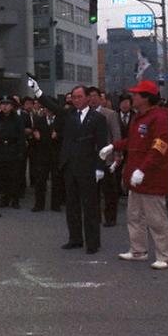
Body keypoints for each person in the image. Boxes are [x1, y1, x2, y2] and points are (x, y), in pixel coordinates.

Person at [99, 80, 168, 269]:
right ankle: (138, 250)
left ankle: (166, 256)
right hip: (135, 178)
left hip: (151, 178)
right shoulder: (138, 117)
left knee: (157, 219)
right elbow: (132, 140)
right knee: (134, 217)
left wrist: (143, 169)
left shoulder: (158, 117)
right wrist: (113, 146)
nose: (132, 98)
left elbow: (160, 146)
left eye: (136, 95)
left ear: (146, 98)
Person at [31, 77, 107, 254]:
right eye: (74, 97)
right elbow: (52, 106)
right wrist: (37, 90)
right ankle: (75, 238)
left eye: (79, 96)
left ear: (88, 98)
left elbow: (102, 145)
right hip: (69, 166)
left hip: (88, 168)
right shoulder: (68, 114)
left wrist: (100, 167)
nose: (76, 100)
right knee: (72, 205)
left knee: (89, 206)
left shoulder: (98, 118)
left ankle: (93, 242)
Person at [86, 86, 122, 227]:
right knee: (92, 191)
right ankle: (95, 216)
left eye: (95, 96)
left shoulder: (110, 114)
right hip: (90, 158)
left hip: (106, 158)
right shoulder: (85, 114)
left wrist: (117, 154)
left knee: (109, 191)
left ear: (101, 98)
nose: (92, 99)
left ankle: (110, 217)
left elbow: (116, 135)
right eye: (90, 96)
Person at [0, 96, 25, 209]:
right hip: (1, 149)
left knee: (14, 177)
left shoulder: (17, 119)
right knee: (2, 177)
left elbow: (21, 136)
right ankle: (4, 199)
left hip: (13, 149)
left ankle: (15, 200)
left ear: (12, 106)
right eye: (3, 104)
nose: (5, 106)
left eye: (7, 104)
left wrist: (21, 151)